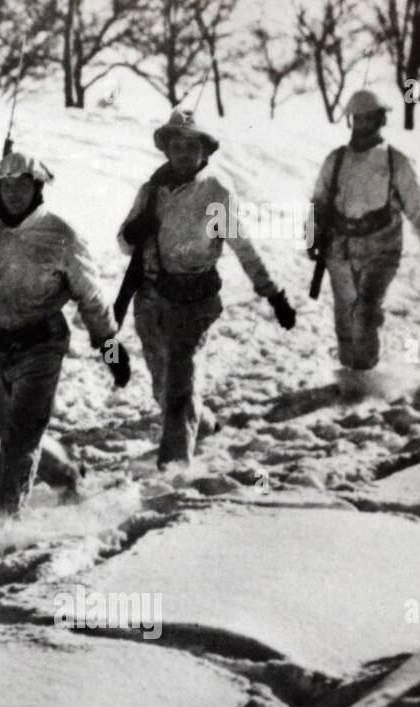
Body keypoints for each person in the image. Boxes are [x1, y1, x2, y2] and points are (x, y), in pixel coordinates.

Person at [0, 153, 129, 516]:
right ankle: (65, 474)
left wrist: (109, 346)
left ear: (38, 188)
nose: (15, 193)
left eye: (24, 185)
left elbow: (90, 297)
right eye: (8, 185)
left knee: (21, 436)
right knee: (4, 424)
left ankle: (3, 521)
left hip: (40, 345)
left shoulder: (62, 236)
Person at [118, 109, 296, 469]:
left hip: (193, 301)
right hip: (150, 301)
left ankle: (173, 471)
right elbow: (123, 241)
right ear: (166, 150)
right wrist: (134, 231)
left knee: (179, 384)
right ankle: (206, 425)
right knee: (163, 387)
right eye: (176, 145)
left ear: (205, 152)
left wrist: (272, 293)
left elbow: (241, 245)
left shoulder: (214, 194)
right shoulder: (150, 191)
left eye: (191, 146)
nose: (183, 152)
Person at [308, 88, 420, 392]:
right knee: (345, 312)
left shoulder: (396, 162)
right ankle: (349, 375)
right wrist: (311, 235)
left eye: (371, 119)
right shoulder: (336, 160)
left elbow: (417, 209)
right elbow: (317, 201)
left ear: (381, 120)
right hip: (340, 249)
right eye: (358, 119)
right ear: (351, 121)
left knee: (366, 310)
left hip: (381, 249)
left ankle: (366, 380)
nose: (364, 125)